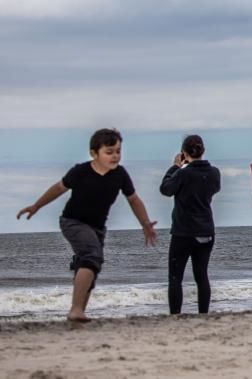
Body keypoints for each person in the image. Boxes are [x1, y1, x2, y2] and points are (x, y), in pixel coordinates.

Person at [15, 128, 158, 321]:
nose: (115, 156)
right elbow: (58, 188)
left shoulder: (120, 175)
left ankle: (79, 310)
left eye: (118, 151)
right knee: (92, 256)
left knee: (92, 265)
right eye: (109, 152)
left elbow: (133, 200)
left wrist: (145, 224)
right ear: (94, 153)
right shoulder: (80, 171)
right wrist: (36, 206)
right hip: (73, 222)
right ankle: (75, 309)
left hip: (97, 227)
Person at [160, 134, 221, 315]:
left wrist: (175, 166)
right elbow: (215, 189)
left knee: (175, 277)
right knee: (201, 276)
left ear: (184, 152)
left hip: (184, 231)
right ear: (203, 150)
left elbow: (165, 189)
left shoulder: (183, 173)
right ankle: (203, 313)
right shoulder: (214, 172)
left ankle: (175, 314)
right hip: (206, 230)